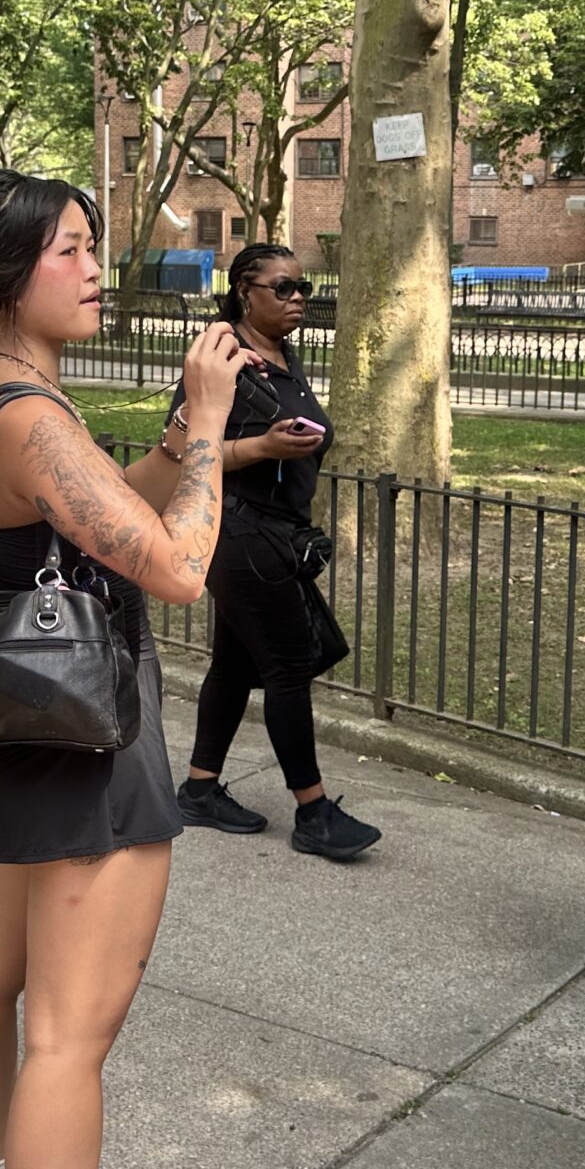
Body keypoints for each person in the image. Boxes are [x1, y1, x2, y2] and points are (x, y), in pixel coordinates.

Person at [0, 172, 240, 1169]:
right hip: (89, 746)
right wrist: (212, 430)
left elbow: (106, 519)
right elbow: (177, 570)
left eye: (93, 246)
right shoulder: (30, 418)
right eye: (69, 250)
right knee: (67, 1039)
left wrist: (177, 442)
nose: (96, 268)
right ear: (5, 278)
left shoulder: (8, 397)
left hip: (32, 732)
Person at [174, 242, 382, 858]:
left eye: (303, 288)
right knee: (288, 667)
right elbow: (184, 451)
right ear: (244, 291)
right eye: (282, 288)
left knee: (233, 665)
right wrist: (262, 447)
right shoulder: (220, 357)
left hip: (277, 532)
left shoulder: (282, 355)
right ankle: (313, 813)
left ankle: (199, 790)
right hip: (240, 535)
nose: (297, 299)